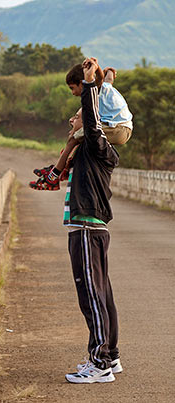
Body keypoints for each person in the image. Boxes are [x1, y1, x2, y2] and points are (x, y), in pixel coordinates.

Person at [58, 57, 121, 384]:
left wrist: (90, 86)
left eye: (78, 114)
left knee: (92, 296)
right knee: (103, 293)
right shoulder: (92, 151)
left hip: (85, 228)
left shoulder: (97, 145)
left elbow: (94, 122)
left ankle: (100, 364)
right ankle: (111, 354)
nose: (73, 117)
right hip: (91, 227)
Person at [30, 60, 132, 191]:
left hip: (117, 130)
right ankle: (60, 169)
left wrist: (96, 69)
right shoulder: (106, 87)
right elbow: (108, 76)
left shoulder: (95, 90)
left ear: (83, 83)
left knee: (73, 139)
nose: (72, 93)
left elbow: (103, 77)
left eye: (73, 88)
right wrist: (100, 67)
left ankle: (54, 176)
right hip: (124, 128)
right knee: (80, 141)